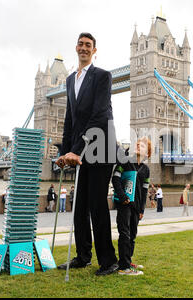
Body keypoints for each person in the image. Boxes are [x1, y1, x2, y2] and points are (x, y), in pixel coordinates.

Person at [56, 32, 118, 276]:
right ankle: (83, 256)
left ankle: (108, 261)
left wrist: (77, 150)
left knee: (96, 205)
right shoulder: (71, 80)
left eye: (88, 45)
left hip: (100, 147)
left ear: (94, 50)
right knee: (79, 206)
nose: (83, 48)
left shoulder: (103, 76)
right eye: (80, 44)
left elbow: (100, 114)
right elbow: (70, 119)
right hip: (80, 149)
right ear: (76, 48)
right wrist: (64, 152)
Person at [112, 137, 151, 276]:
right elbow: (115, 178)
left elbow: (145, 190)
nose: (138, 146)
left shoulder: (146, 170)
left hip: (136, 206)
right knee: (125, 234)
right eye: (137, 144)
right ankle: (124, 267)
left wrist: (142, 209)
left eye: (142, 146)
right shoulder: (125, 160)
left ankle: (128, 260)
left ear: (148, 153)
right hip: (125, 203)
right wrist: (122, 196)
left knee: (133, 235)